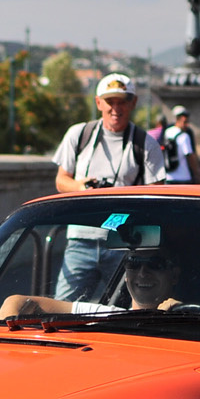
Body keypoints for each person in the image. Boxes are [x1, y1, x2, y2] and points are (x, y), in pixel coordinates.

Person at [49, 75, 167, 299]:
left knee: (121, 309)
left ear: (133, 103)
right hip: (81, 238)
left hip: (123, 243)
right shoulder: (79, 135)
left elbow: (157, 193)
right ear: (98, 103)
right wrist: (81, 187)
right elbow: (61, 180)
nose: (116, 108)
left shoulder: (145, 143)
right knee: (64, 307)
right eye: (110, 101)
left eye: (122, 102)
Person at [0, 244, 183, 320]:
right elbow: (17, 302)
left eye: (155, 264)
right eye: (133, 264)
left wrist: (174, 319)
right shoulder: (103, 315)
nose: (143, 273)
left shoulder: (190, 322)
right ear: (126, 274)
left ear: (174, 276)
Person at [163, 106, 200, 184]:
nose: (186, 125)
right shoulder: (184, 136)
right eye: (185, 122)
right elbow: (190, 156)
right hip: (183, 177)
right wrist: (197, 174)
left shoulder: (167, 132)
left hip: (168, 176)